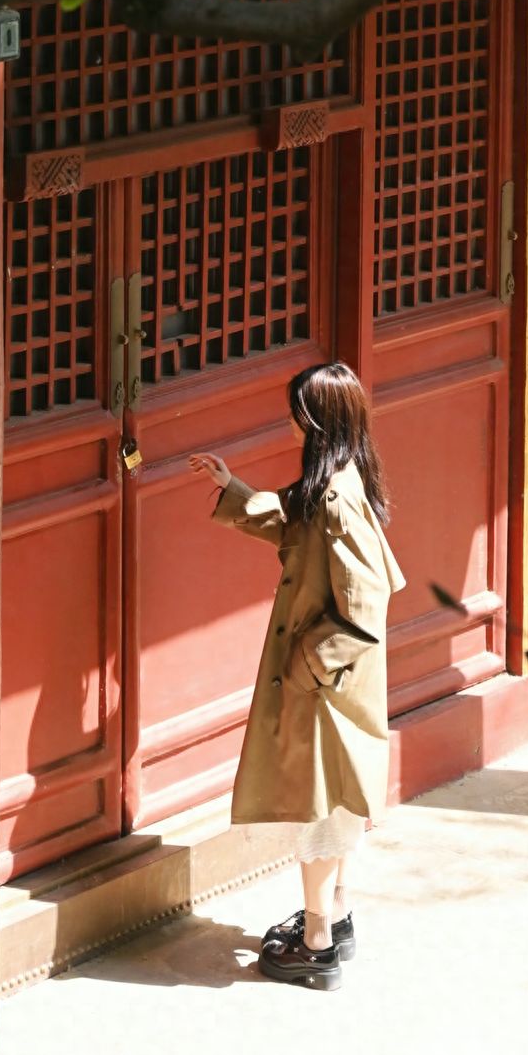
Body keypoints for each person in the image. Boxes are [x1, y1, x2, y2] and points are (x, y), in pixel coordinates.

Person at [189, 362, 407, 991]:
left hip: (329, 686)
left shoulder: (338, 497)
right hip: (339, 684)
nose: (290, 421)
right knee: (336, 805)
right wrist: (234, 488)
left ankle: (315, 942)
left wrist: (309, 664)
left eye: (297, 411)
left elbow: (367, 598)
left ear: (316, 421)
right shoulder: (337, 482)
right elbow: (293, 525)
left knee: (319, 810)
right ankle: (336, 915)